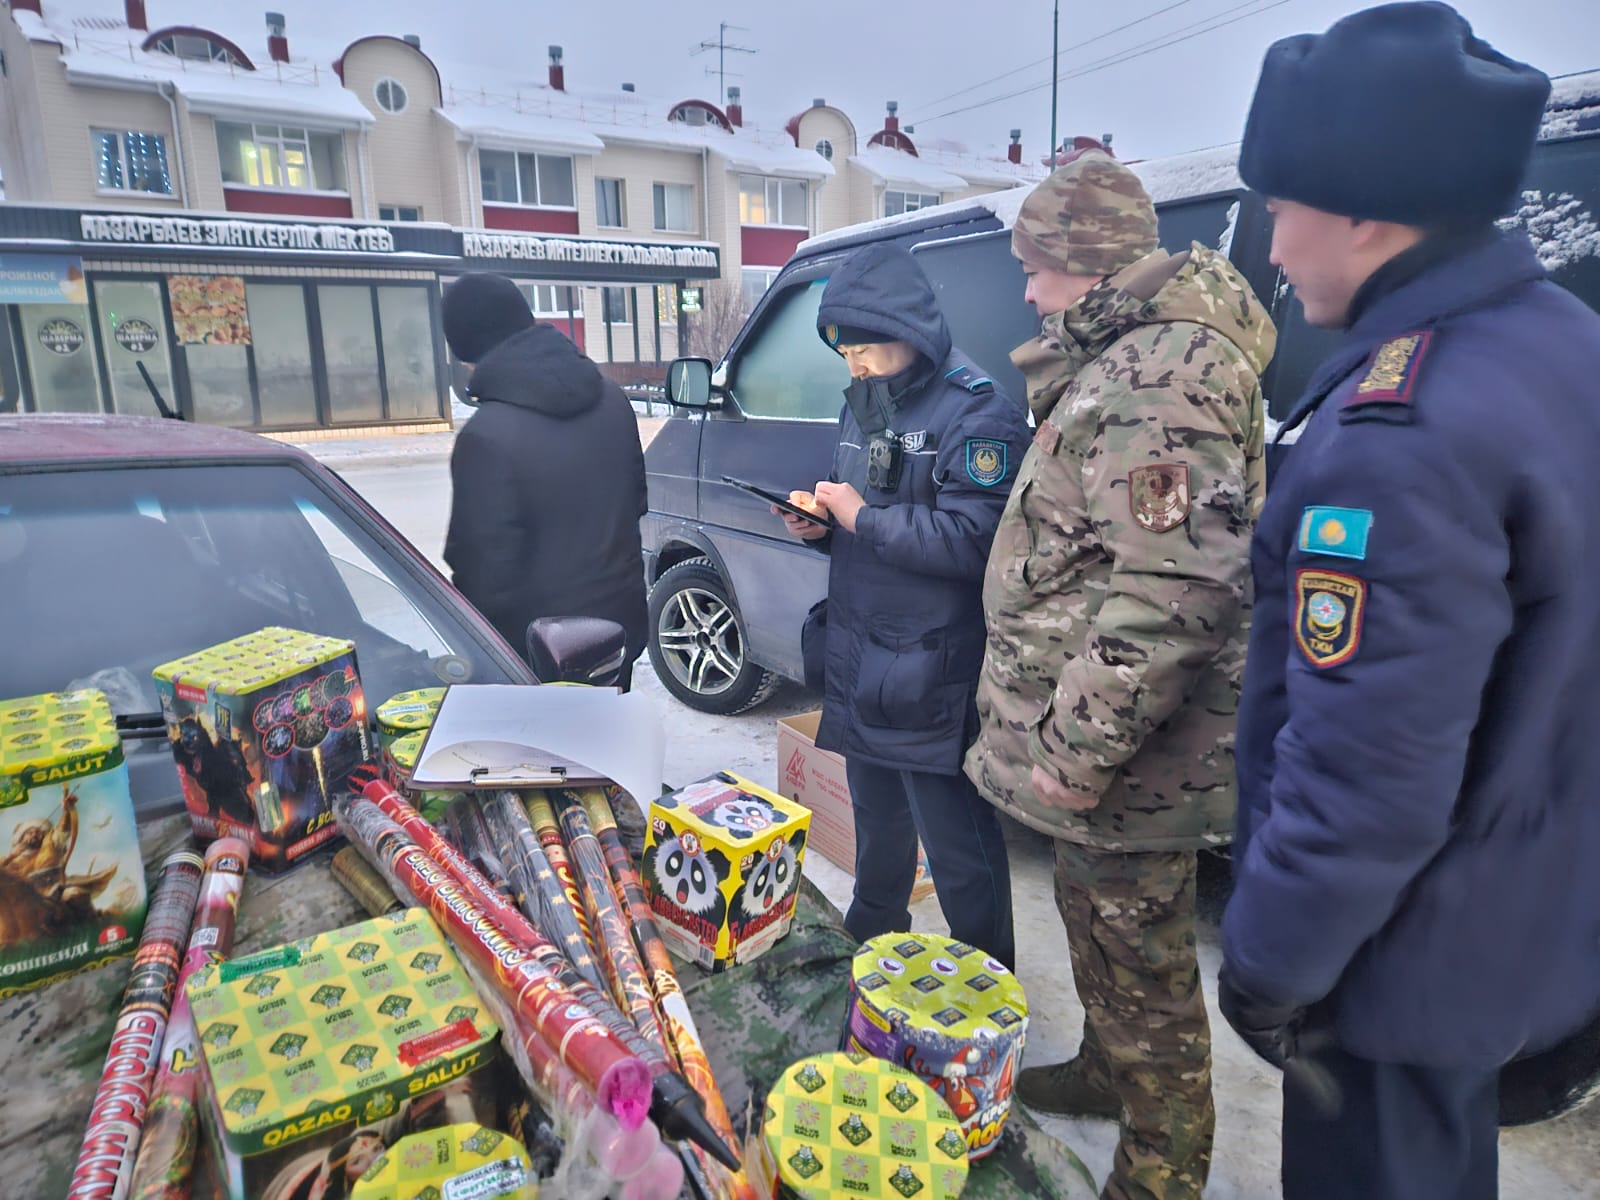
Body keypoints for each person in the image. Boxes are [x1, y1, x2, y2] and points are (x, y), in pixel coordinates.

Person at [1217, 5, 1600, 1198]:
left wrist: (1268, 967)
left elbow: (1366, 775)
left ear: (1365, 215)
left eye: (1280, 209)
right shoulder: (1561, 346)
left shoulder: (1401, 433)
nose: (1270, 247)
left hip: (1391, 962)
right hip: (1514, 925)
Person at [965, 150, 1275, 1200]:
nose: (1025, 291)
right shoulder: (1132, 354)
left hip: (1133, 766)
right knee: (1100, 932)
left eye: (1033, 268)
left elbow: (1173, 588)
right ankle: (1108, 1074)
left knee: (1144, 972)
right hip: (1113, 760)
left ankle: (1159, 1173)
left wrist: (1073, 753)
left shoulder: (1160, 374)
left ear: (1086, 260)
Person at [776, 242, 1029, 968]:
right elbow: (862, 512)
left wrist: (861, 519)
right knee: (877, 822)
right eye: (844, 353)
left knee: (956, 845)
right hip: (863, 655)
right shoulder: (862, 404)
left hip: (930, 669)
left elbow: (977, 541)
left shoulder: (977, 411)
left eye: (864, 350)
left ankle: (989, 973)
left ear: (907, 333)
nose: (853, 366)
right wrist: (822, 525)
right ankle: (873, 938)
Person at [441, 273, 648, 688]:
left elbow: (482, 577)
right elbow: (636, 504)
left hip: (537, 656)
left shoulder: (485, 436)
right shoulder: (612, 399)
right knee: (610, 728)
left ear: (464, 350)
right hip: (616, 635)